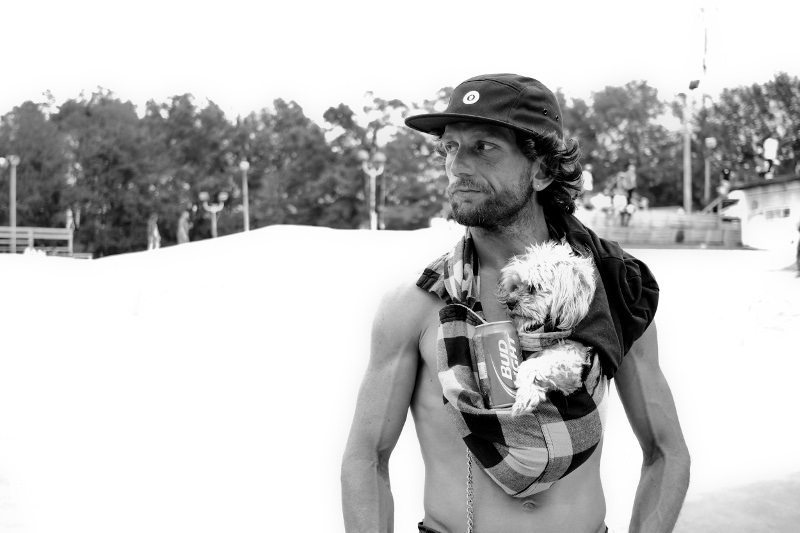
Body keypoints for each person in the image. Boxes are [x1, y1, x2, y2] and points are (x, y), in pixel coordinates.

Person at [341, 74, 690, 533]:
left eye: (484, 147)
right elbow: (366, 459)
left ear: (542, 170)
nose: (457, 166)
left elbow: (666, 452)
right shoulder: (418, 304)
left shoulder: (610, 290)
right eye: (450, 147)